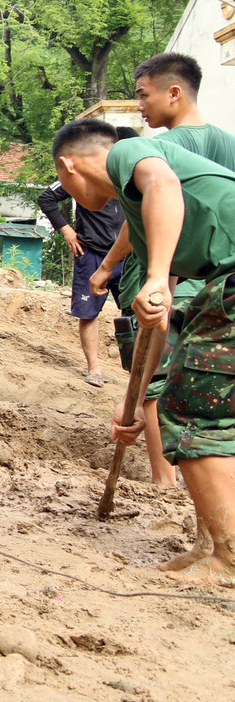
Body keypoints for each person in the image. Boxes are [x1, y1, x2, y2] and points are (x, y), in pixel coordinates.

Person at [52, 118, 235, 585]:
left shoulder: (127, 156)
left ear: (68, 166)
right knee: (180, 399)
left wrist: (153, 277)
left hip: (229, 282)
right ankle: (209, 544)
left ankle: (227, 558)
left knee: (197, 412)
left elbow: (163, 184)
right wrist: (134, 401)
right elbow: (159, 321)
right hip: (221, 285)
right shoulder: (140, 213)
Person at [92, 55, 235, 487]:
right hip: (206, 277)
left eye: (143, 94)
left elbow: (150, 213)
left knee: (179, 393)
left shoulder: (159, 148)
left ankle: (163, 481)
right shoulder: (226, 143)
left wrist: (115, 266)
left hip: (192, 282)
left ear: (175, 93)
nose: (140, 106)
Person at [37, 172, 125, 388]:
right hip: (90, 251)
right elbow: (46, 197)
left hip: (126, 254)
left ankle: (136, 371)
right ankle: (94, 368)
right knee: (88, 311)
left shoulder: (130, 173)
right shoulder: (84, 172)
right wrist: (66, 229)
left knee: (134, 312)